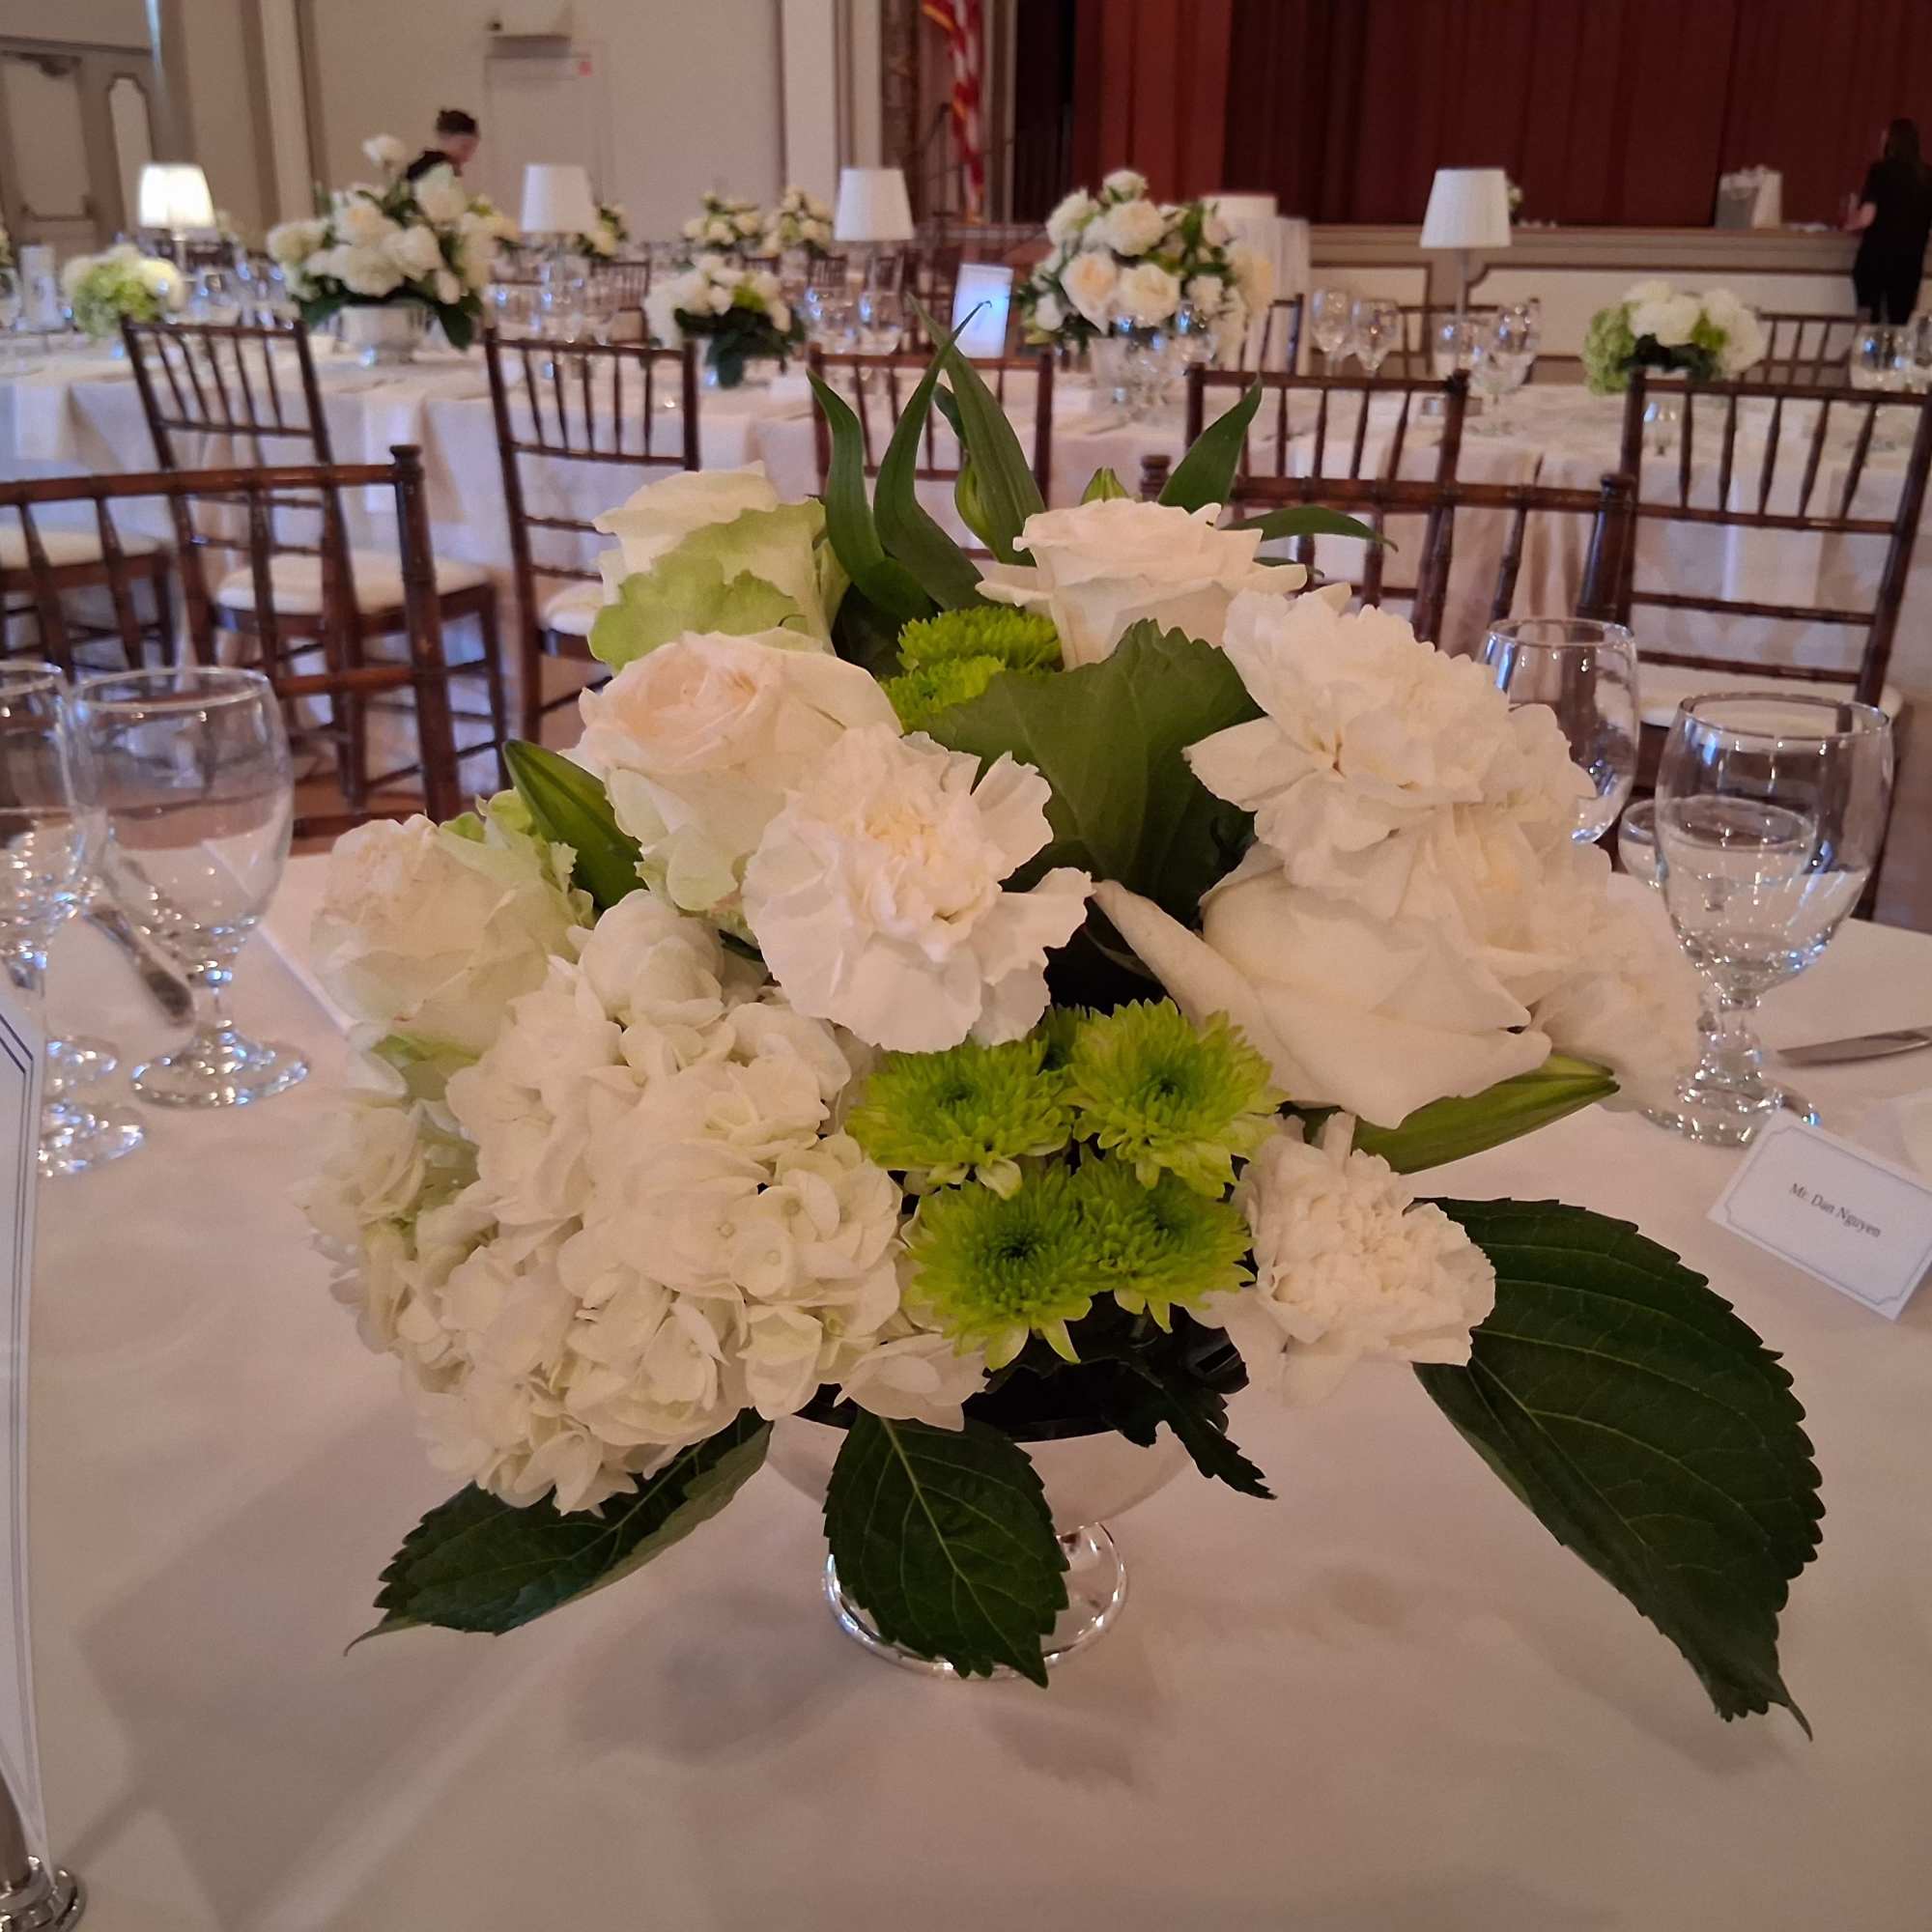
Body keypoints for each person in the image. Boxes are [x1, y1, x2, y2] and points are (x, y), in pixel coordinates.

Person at [1844, 118, 1932, 323]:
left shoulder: (1880, 171)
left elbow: (1866, 217)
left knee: (1869, 320)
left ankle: (1869, 353)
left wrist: (1850, 222)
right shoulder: (1927, 177)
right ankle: (1894, 355)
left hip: (1875, 259)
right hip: (1910, 262)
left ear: (1890, 142)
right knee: (1899, 322)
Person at [406, 108, 479, 184]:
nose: (467, 157)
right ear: (445, 136)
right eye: (464, 147)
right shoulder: (436, 169)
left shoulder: (432, 166)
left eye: (472, 151)